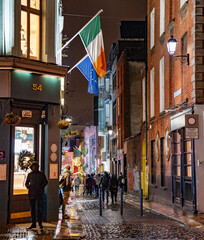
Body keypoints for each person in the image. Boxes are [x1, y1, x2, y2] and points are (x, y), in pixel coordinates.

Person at [25, 161, 48, 230]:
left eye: (35, 166)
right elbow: (26, 183)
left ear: (37, 167)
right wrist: (28, 186)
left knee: (38, 209)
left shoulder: (41, 174)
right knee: (32, 209)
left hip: (39, 194)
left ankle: (40, 224)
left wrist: (41, 187)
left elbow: (45, 182)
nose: (34, 168)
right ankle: (33, 224)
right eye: (33, 167)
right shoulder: (30, 174)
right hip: (31, 194)